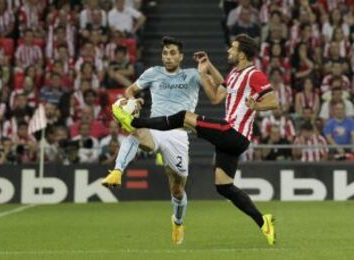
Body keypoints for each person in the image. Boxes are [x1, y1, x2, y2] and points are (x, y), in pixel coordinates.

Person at [113, 34, 278, 246]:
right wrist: (206, 67)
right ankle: (263, 221)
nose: (228, 51)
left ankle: (136, 123)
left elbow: (273, 101)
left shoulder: (254, 74)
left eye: (233, 48)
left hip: (233, 131)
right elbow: (218, 95)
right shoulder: (236, 74)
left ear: (242, 54)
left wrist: (257, 106)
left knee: (184, 116)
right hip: (233, 140)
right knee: (224, 186)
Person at [102, 36, 204, 245]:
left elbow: (216, 89)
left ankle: (177, 221)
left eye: (172, 53)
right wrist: (134, 101)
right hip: (156, 125)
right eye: (165, 53)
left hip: (179, 134)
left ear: (181, 56)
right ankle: (117, 171)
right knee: (136, 131)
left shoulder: (192, 75)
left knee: (177, 190)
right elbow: (130, 90)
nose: (168, 57)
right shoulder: (152, 73)